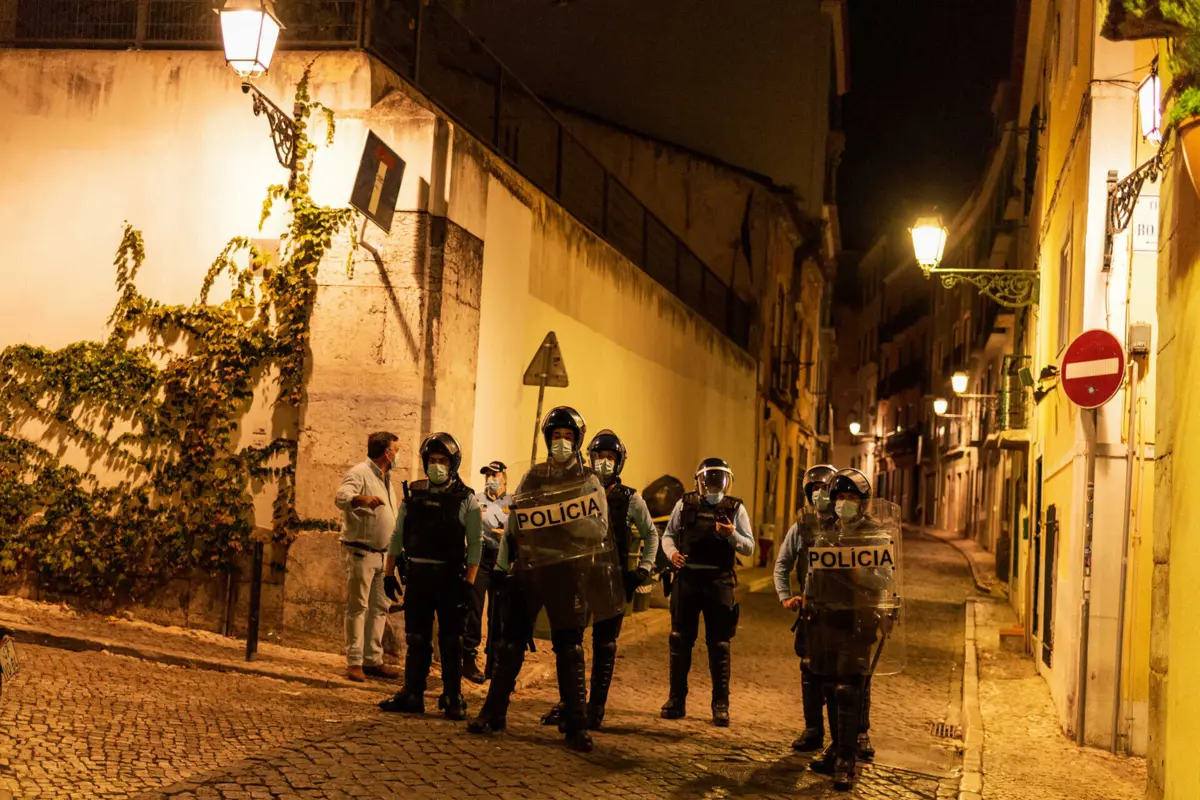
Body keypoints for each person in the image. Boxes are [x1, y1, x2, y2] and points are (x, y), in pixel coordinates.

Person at [468, 406, 624, 753]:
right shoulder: (534, 477)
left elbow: (599, 527)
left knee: (569, 649)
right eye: (557, 437)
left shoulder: (588, 481)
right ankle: (494, 712)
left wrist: (564, 523)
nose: (562, 443)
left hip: (567, 573)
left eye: (568, 437)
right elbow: (515, 523)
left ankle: (577, 724)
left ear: (578, 441)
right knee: (510, 644)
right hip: (529, 571)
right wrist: (503, 567)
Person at [539, 429, 659, 730]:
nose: (604, 462)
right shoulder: (578, 489)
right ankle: (571, 703)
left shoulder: (630, 499)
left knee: (605, 645)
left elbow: (650, 533)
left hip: (610, 580)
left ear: (619, 462)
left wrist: (643, 570)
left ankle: (595, 710)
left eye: (610, 457)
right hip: (577, 578)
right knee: (570, 643)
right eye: (600, 456)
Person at [378, 433, 483, 721]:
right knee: (417, 638)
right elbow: (397, 535)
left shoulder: (466, 498)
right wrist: (389, 573)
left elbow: (475, 543)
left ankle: (452, 696)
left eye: (443, 461)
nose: (437, 466)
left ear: (453, 464)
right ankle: (413, 693)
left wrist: (469, 583)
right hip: (419, 576)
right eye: (432, 460)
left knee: (451, 640)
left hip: (451, 578)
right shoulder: (413, 495)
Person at [804, 468, 896, 791]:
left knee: (847, 688)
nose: (844, 503)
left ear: (863, 502)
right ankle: (834, 747)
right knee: (828, 686)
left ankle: (846, 759)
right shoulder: (826, 532)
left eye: (851, 498)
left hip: (857, 621)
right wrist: (807, 602)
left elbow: (885, 578)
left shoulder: (875, 535)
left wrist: (860, 574)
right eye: (840, 497)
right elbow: (814, 573)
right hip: (825, 619)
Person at [659, 458, 755, 727]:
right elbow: (668, 535)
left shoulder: (735, 508)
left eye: (718, 479)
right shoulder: (685, 503)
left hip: (719, 580)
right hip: (687, 578)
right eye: (709, 479)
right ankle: (676, 699)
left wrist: (732, 534)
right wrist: (672, 554)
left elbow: (749, 547)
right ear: (699, 481)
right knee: (679, 640)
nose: (713, 485)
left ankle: (720, 704)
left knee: (720, 644)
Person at [774, 464, 838, 752]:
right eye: (814, 490)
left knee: (849, 674)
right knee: (809, 670)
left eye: (824, 489)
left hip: (845, 613)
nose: (819, 495)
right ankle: (813, 730)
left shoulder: (850, 525)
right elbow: (782, 563)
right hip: (811, 613)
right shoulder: (801, 527)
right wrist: (786, 596)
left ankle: (858, 735)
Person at [333, 431, 404, 683]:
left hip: (384, 556)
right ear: (387, 452)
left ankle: (373, 659)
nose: (398, 454)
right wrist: (360, 499)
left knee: (379, 608)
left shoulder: (386, 477)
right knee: (357, 607)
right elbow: (341, 497)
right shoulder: (359, 472)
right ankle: (354, 661)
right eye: (396, 449)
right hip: (361, 552)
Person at [465, 460, 512, 683]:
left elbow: (515, 530)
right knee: (474, 608)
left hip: (501, 560)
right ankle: (469, 659)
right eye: (488, 475)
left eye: (495, 474)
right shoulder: (477, 500)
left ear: (504, 477)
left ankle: (494, 662)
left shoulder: (512, 502)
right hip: (481, 558)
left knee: (498, 613)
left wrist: (504, 532)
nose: (491, 478)